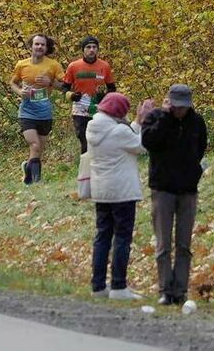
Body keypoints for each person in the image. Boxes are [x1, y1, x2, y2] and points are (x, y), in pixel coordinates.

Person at [140, 84, 208, 307]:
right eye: (176, 106)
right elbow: (148, 142)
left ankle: (180, 290)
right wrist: (165, 119)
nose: (180, 111)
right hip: (163, 188)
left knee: (184, 244)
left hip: (188, 188)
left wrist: (193, 171)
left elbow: (200, 148)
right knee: (163, 244)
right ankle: (165, 289)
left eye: (184, 107)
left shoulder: (196, 122)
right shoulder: (156, 119)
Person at [86, 92, 148, 300]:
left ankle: (98, 286)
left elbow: (129, 137)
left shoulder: (92, 127)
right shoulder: (119, 131)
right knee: (122, 238)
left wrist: (135, 122)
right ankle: (119, 286)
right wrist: (142, 121)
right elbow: (140, 145)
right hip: (122, 191)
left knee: (102, 237)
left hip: (101, 191)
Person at [10, 34, 62, 184]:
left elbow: (65, 87)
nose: (39, 47)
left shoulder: (53, 65)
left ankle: (28, 167)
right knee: (35, 144)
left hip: (44, 112)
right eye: (37, 44)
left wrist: (50, 82)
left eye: (42, 45)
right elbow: (13, 83)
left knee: (38, 151)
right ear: (30, 46)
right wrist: (20, 92)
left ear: (46, 48)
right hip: (27, 111)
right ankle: (34, 181)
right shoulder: (21, 64)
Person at [63, 36, 116, 154]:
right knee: (84, 138)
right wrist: (71, 96)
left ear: (97, 50)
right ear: (83, 50)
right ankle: (86, 168)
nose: (91, 50)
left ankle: (100, 165)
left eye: (94, 47)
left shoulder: (105, 66)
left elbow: (112, 87)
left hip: (99, 107)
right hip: (80, 107)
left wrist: (106, 97)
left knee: (99, 139)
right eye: (88, 47)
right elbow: (64, 87)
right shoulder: (73, 66)